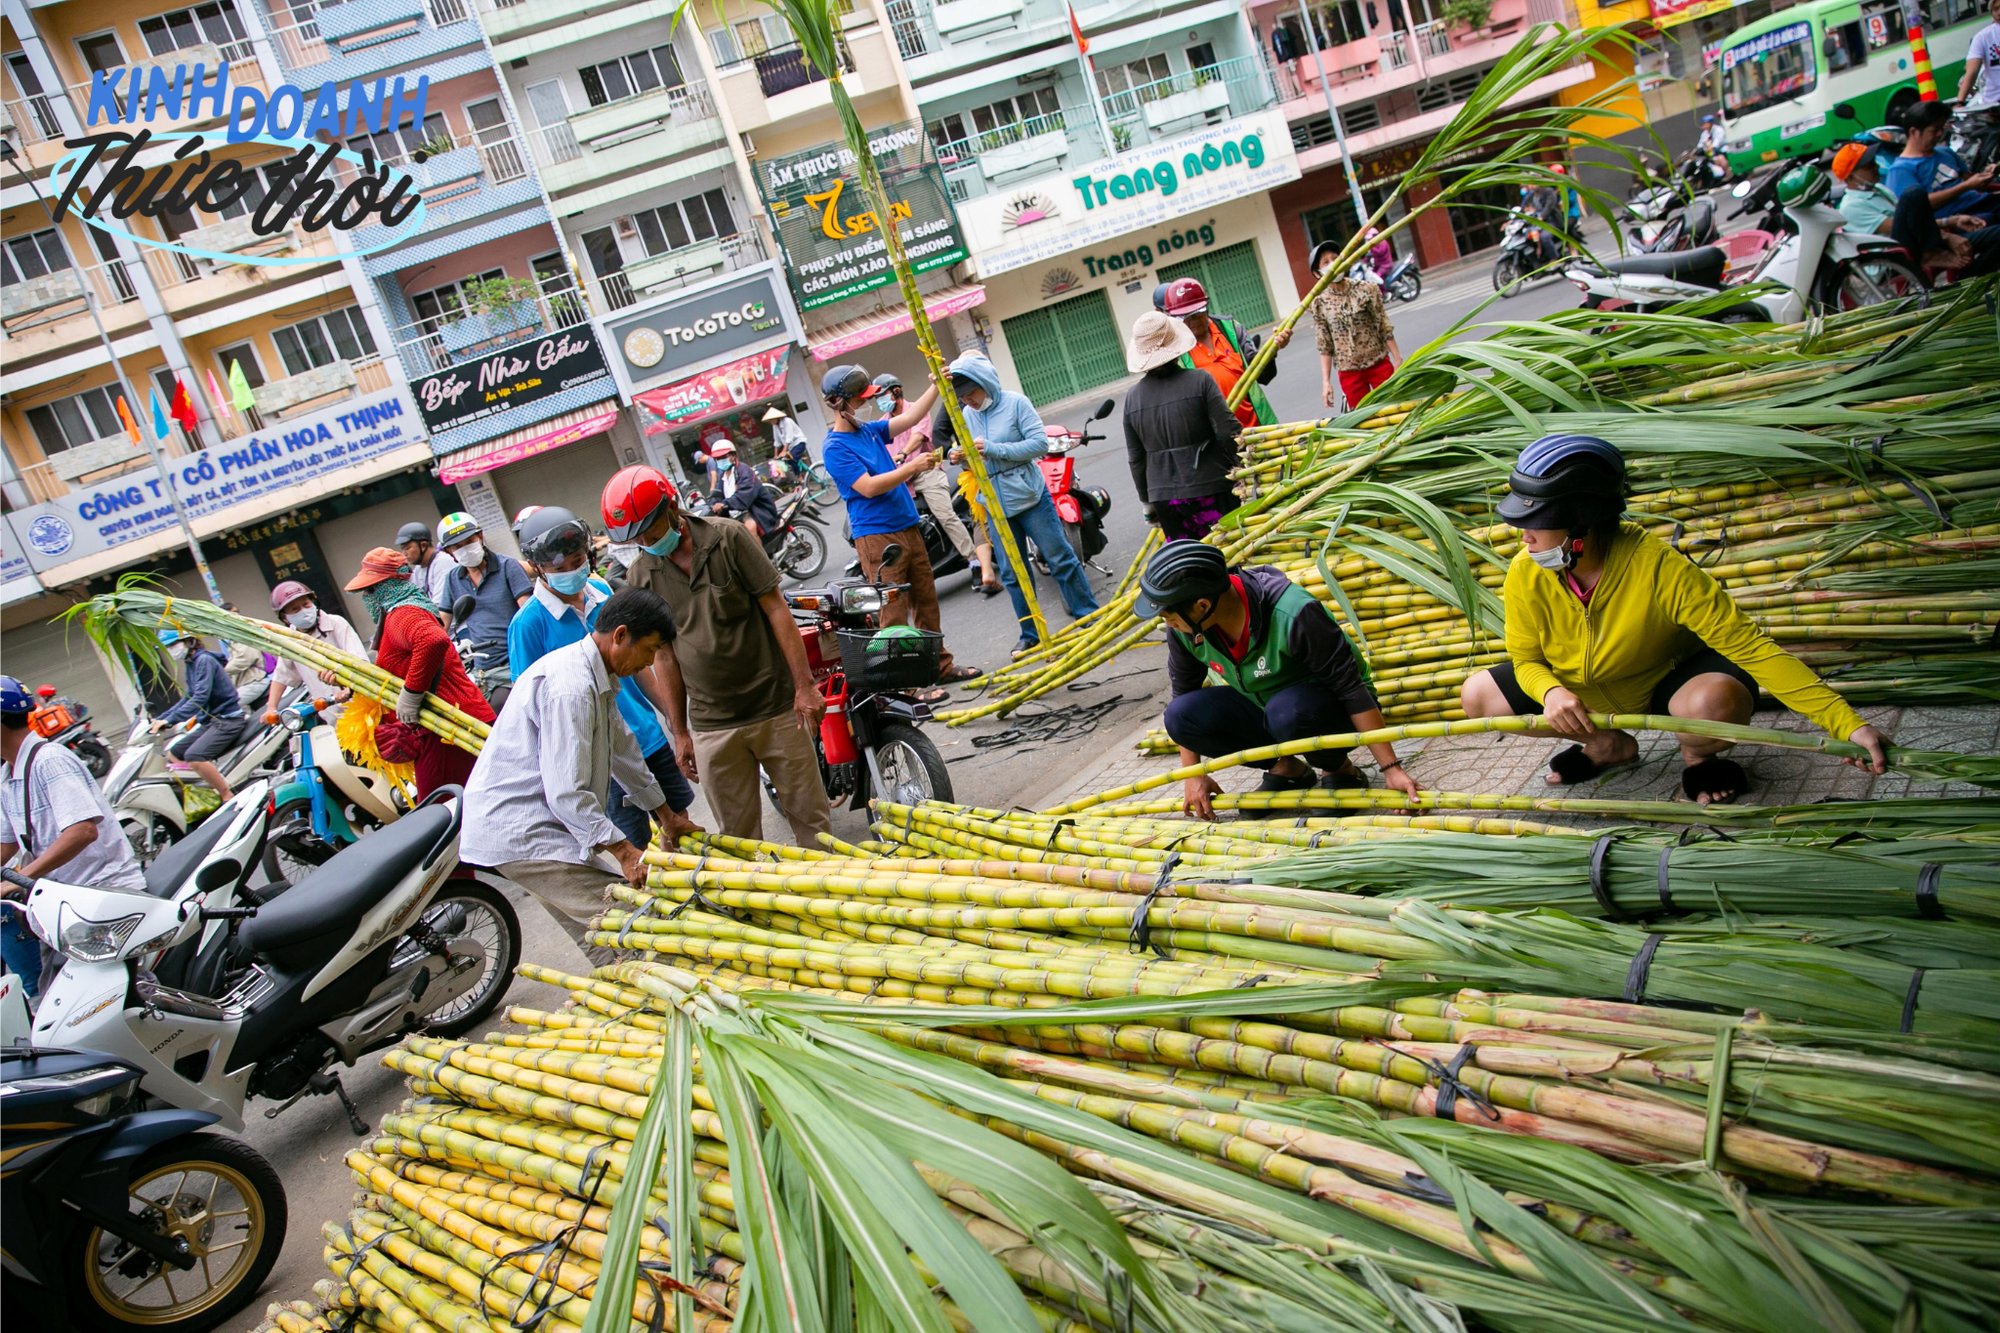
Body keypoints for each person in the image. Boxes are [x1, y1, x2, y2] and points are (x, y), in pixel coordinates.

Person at [1457, 435, 1891, 804]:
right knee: (1477, 694)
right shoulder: (1525, 569)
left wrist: (1847, 724)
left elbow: (1752, 649)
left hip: (1665, 686)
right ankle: (1606, 744)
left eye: (1535, 521)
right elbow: (1525, 659)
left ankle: (1700, 757)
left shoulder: (1659, 567)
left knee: (1713, 704)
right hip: (1585, 694)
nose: (1524, 535)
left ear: (1581, 522)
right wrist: (1550, 693)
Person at [604, 466, 835, 845]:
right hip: (712, 725)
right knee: (738, 839)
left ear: (672, 507)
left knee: (813, 823)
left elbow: (777, 610)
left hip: (776, 708)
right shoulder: (642, 574)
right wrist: (679, 731)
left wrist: (805, 686)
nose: (646, 540)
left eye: (650, 529)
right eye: (636, 537)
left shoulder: (728, 538)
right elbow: (664, 656)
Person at [461, 588, 681, 964]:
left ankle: (630, 1007)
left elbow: (623, 752)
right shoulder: (572, 688)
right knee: (637, 922)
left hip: (537, 825)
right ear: (621, 635)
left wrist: (666, 816)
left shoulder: (596, 674)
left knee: (599, 936)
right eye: (650, 649)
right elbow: (567, 792)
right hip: (524, 829)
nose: (648, 662)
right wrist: (625, 852)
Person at [1129, 544, 1420, 821]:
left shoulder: (1293, 612)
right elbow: (1184, 693)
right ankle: (1287, 769)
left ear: (1202, 605)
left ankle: (1339, 768)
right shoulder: (1186, 628)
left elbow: (1351, 690)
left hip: (1326, 709)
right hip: (1265, 704)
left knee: (1289, 711)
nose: (1166, 623)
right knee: (1181, 716)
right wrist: (1193, 776)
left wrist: (1391, 769)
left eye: (1167, 615)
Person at [510, 506, 700, 852]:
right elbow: (532, 705)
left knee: (678, 824)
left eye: (578, 560)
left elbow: (642, 664)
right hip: (599, 756)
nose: (573, 572)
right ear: (538, 569)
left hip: (645, 735)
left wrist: (676, 726)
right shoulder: (528, 625)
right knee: (636, 844)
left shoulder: (600, 590)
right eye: (561, 568)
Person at [819, 364, 979, 691]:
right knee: (892, 614)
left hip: (907, 526)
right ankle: (906, 685)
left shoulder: (869, 431)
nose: (865, 404)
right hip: (877, 537)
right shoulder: (834, 448)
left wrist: (935, 385)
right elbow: (868, 487)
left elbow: (908, 418)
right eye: (859, 399)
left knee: (926, 602)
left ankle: (939, 667)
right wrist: (911, 467)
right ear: (838, 403)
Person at [941, 353, 1101, 656]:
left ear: (985, 383)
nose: (968, 400)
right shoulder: (966, 415)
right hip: (994, 503)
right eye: (961, 395)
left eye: (971, 392)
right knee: (1014, 574)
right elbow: (967, 452)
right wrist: (958, 455)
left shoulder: (1016, 403)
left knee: (1060, 558)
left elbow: (1039, 444)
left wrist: (992, 448)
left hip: (1029, 497)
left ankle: (1088, 616)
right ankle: (1030, 633)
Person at [3, 675, 147, 998]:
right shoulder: (8, 775)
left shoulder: (49, 761)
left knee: (112, 1001)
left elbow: (82, 831)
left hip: (100, 896)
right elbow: (8, 842)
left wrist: (18, 879)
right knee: (51, 1001)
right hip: (62, 907)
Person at [344, 547, 496, 799]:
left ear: (389, 585)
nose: (366, 597)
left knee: (442, 812)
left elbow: (433, 640)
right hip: (442, 726)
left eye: (370, 590)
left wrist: (412, 693)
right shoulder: (405, 611)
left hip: (448, 729)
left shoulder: (403, 613)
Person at [1122, 310, 1243, 543]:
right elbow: (1228, 431)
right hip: (1211, 487)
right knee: (1231, 558)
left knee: (1191, 564)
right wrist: (1241, 467)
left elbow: (1136, 458)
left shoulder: (1132, 398)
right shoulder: (1201, 380)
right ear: (1176, 349)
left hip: (1165, 499)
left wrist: (1147, 502)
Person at [876, 371, 979, 572]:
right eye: (877, 397)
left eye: (883, 395)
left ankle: (974, 560)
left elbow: (918, 437)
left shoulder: (917, 409)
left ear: (896, 392)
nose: (880, 400)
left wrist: (903, 454)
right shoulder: (882, 423)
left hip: (926, 471)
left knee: (945, 515)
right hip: (902, 478)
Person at [437, 510, 533, 711]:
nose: (465, 549)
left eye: (469, 541)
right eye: (457, 546)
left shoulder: (508, 567)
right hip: (481, 667)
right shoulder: (453, 579)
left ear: (480, 536)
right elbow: (441, 625)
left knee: (505, 708)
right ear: (449, 552)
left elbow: (528, 615)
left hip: (515, 661)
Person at [1159, 277, 1285, 429]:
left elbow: (1262, 375)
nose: (1192, 320)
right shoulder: (1173, 351)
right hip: (1219, 440)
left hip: (1260, 429)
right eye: (1184, 316)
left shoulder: (1230, 328)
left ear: (1206, 307)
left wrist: (1272, 351)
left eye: (1197, 313)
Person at [151, 628, 248, 800]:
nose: (171, 649)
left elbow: (200, 698)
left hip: (227, 720)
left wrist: (172, 719)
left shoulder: (204, 660)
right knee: (174, 753)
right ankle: (204, 793)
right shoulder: (191, 663)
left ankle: (226, 795)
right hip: (212, 721)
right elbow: (188, 697)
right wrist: (162, 719)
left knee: (194, 756)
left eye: (174, 644)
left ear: (189, 641)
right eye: (168, 647)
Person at [1308, 240, 1402, 412]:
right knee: (1365, 420)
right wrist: (1326, 382)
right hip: (1349, 373)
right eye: (1326, 262)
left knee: (1395, 410)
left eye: (1335, 258)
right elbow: (1325, 346)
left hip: (1378, 363)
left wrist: (1397, 359)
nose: (1332, 264)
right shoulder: (1319, 304)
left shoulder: (1366, 289)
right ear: (1317, 273)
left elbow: (1383, 325)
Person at [264, 581, 367, 722]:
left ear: (314, 602)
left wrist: (349, 687)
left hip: (362, 705)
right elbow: (281, 676)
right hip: (332, 716)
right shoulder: (290, 641)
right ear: (284, 617)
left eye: (306, 605)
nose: (303, 611)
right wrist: (271, 708)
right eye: (294, 609)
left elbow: (359, 661)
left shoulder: (336, 623)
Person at [1886, 100, 1998, 223]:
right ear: (1914, 132)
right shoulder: (1901, 169)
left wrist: (1986, 175)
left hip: (1982, 202)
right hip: (1957, 219)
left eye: (1941, 128)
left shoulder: (1945, 152)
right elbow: (1915, 207)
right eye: (1934, 130)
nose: (1940, 134)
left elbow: (1973, 183)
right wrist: (1965, 187)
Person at [706, 440, 782, 538]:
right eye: (717, 458)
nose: (720, 461)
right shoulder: (722, 476)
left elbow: (745, 494)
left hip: (753, 510)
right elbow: (718, 495)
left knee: (749, 532)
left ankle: (759, 553)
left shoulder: (743, 470)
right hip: (734, 515)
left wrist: (725, 504)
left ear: (733, 456)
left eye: (723, 457)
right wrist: (712, 506)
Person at [1833, 142, 1900, 233]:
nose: (1876, 167)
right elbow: (1897, 229)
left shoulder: (1879, 188)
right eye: (1869, 167)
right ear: (1850, 177)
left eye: (1874, 162)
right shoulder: (1851, 207)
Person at [397, 519, 455, 605]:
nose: (404, 554)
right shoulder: (418, 569)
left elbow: (440, 604)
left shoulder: (443, 562)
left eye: (407, 548)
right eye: (402, 549)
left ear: (423, 545)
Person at [1956, 0, 2000, 112]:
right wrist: (1960, 102)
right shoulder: (1982, 37)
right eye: (1995, 9)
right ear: (1991, 13)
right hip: (1994, 104)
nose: (1999, 12)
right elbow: (1971, 72)